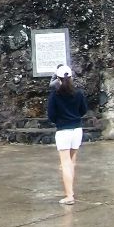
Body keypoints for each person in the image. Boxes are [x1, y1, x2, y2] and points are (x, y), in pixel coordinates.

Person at [47, 63, 88, 205]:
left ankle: (69, 195)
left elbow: (51, 115)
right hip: (77, 130)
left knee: (65, 163)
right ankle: (71, 191)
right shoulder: (79, 93)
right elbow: (83, 110)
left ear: (57, 78)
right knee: (72, 161)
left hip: (63, 131)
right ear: (71, 78)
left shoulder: (55, 95)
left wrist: (60, 119)